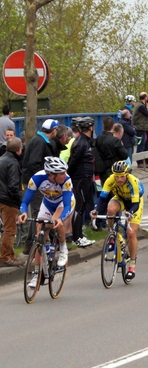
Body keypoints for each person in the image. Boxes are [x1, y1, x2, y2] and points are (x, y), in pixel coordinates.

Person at [19, 157, 75, 286]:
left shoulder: (66, 180)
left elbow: (66, 205)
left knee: (55, 221)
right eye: (61, 173)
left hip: (63, 203)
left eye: (65, 172)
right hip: (48, 203)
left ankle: (63, 247)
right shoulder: (37, 179)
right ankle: (37, 274)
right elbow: (25, 201)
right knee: (39, 236)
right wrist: (23, 212)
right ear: (51, 175)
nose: (64, 175)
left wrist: (61, 219)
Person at [91, 161, 144, 281]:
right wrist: (96, 210)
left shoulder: (133, 182)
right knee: (110, 209)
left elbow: (135, 203)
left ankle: (132, 265)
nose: (119, 179)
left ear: (127, 174)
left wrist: (130, 212)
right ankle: (112, 234)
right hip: (120, 198)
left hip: (134, 203)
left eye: (122, 176)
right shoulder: (111, 179)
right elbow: (102, 198)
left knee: (131, 234)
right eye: (117, 176)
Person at [21, 119, 59, 254]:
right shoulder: (40, 143)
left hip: (38, 182)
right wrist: (45, 178)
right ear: (53, 130)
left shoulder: (41, 141)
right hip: (37, 183)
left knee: (43, 211)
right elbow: (34, 163)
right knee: (39, 213)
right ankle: (33, 243)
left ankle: (44, 241)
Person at [67, 116, 96, 247]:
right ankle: (76, 237)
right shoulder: (81, 143)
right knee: (79, 207)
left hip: (85, 178)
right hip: (80, 179)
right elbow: (73, 161)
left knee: (82, 207)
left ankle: (78, 235)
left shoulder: (85, 141)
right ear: (90, 128)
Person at [0, 137, 24, 267]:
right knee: (10, 230)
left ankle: (10, 255)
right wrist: (20, 200)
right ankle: (5, 257)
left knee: (7, 229)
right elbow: (13, 186)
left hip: (1, 197)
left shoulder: (1, 159)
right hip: (8, 200)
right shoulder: (13, 163)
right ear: (19, 149)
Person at [95, 117, 129, 184]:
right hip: (114, 170)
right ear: (113, 126)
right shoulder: (115, 140)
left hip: (101, 170)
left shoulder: (97, 139)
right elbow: (125, 155)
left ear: (103, 125)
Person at [133, 92, 148, 168]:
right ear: (145, 97)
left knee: (145, 144)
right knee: (141, 145)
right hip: (140, 127)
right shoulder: (140, 106)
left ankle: (144, 161)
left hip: (143, 127)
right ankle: (139, 162)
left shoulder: (139, 105)